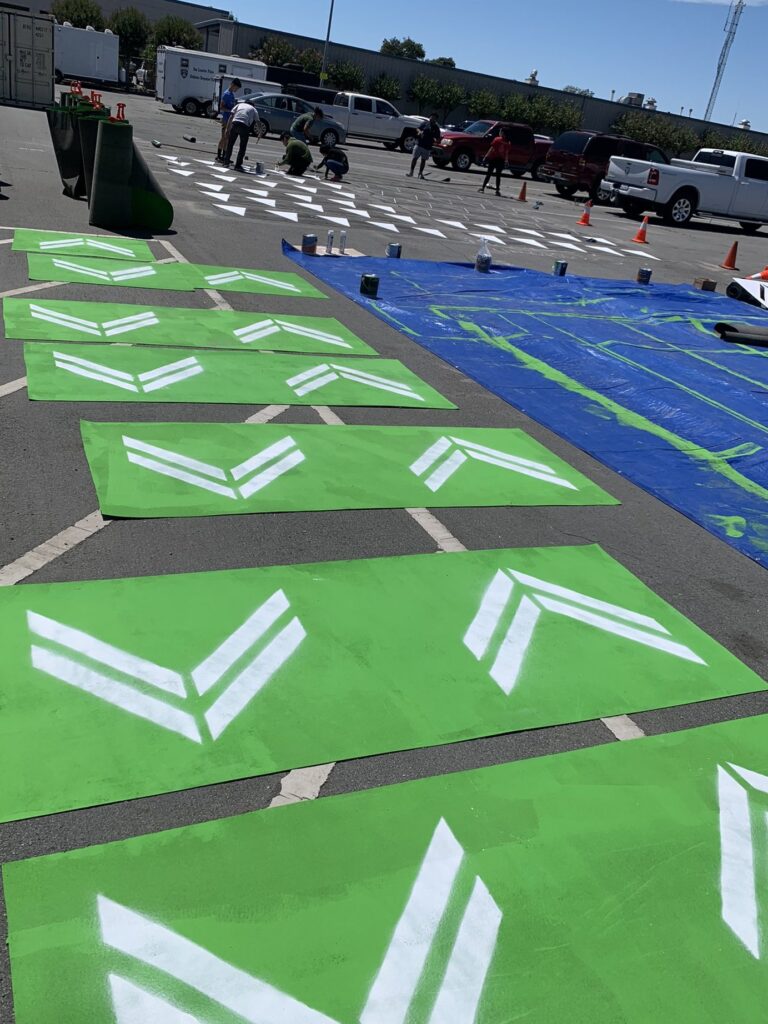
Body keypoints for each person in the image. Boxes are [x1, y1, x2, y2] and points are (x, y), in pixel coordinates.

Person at [222, 99, 259, 171]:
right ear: (252, 105)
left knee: (230, 144)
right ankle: (238, 165)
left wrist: (227, 128)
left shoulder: (239, 105)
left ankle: (226, 162)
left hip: (235, 124)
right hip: (244, 126)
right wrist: (259, 133)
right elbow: (258, 122)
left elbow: (231, 116)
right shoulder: (253, 109)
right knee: (242, 147)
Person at [407, 113, 441, 179]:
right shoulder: (425, 123)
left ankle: (420, 173)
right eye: (431, 117)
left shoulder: (436, 128)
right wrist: (419, 132)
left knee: (423, 160)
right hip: (419, 144)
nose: (432, 119)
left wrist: (435, 140)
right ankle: (411, 172)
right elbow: (418, 128)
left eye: (434, 118)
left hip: (427, 146)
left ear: (436, 120)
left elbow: (438, 137)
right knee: (414, 158)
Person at [479, 128, 510, 196]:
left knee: (489, 174)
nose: (499, 132)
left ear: (502, 133)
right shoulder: (507, 142)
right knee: (498, 176)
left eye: (500, 131)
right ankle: (497, 191)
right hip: (501, 160)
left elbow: (491, 149)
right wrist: (506, 161)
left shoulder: (497, 139)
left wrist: (486, 157)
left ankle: (482, 188)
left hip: (493, 159)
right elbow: (506, 153)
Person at [216, 78, 241, 163]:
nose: (236, 90)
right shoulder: (226, 94)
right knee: (224, 137)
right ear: (233, 85)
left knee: (227, 138)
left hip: (230, 119)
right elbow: (221, 107)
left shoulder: (231, 94)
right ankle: (219, 156)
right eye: (236, 88)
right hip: (226, 119)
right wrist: (230, 111)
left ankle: (225, 156)